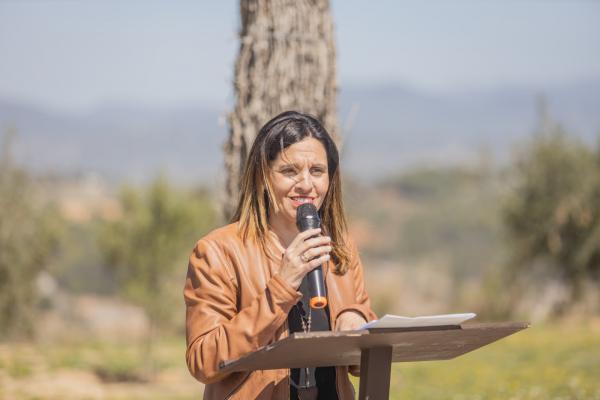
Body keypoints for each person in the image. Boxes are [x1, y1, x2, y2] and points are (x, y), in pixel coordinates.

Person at [184, 111, 376, 400]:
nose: (306, 184)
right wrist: (281, 287)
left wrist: (355, 318)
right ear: (263, 177)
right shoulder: (218, 251)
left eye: (317, 171)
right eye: (289, 171)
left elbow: (361, 359)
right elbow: (204, 360)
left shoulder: (340, 248)